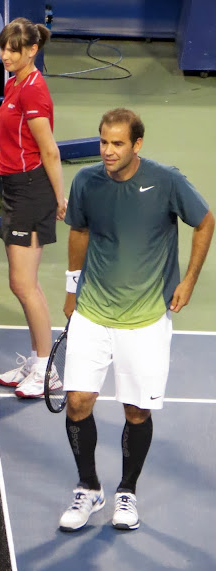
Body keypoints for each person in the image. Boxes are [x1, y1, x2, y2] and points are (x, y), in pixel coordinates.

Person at [59, 108, 214, 532]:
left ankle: (126, 491)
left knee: (136, 411)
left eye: (117, 144)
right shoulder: (87, 181)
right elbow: (79, 232)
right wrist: (72, 289)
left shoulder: (167, 181)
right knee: (77, 403)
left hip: (146, 318)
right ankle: (89, 488)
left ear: (137, 145)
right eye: (103, 142)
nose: (108, 151)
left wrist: (189, 280)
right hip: (93, 308)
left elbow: (204, 222)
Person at [0, 17, 67, 398]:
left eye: (13, 49)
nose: (6, 55)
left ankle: (46, 368)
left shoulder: (33, 92)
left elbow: (50, 149)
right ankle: (40, 360)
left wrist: (59, 197)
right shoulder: (14, 83)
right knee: (19, 282)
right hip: (13, 186)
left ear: (32, 51)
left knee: (25, 283)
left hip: (30, 189)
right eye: (3, 47)